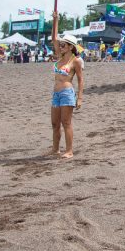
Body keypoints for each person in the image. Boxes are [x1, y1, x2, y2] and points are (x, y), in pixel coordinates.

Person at [48, 13, 84, 159]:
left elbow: (81, 80)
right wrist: (55, 20)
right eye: (61, 44)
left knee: (66, 122)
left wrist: (80, 98)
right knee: (55, 123)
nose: (61, 46)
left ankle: (69, 150)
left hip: (67, 93)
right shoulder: (60, 56)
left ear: (70, 47)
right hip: (56, 93)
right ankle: (55, 149)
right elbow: (53, 38)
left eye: (64, 45)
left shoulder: (76, 61)